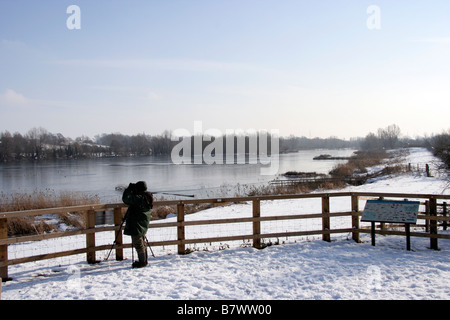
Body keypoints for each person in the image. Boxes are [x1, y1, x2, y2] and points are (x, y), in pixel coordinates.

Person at [122, 181, 153, 268]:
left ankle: (142, 261)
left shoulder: (139, 198)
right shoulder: (147, 197)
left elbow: (126, 199)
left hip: (137, 224)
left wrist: (128, 189)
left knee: (138, 243)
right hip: (142, 223)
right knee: (142, 241)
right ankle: (144, 260)